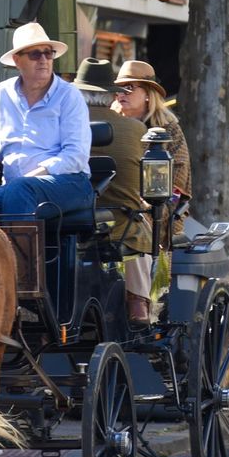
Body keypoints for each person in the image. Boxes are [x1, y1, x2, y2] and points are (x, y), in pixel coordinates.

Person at [0, 22, 94, 219]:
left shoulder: (69, 95)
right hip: (15, 188)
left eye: (48, 53)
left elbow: (76, 155)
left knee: (20, 189)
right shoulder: (0, 94)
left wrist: (36, 174)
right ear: (17, 60)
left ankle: (22, 251)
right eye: (35, 54)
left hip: (68, 183)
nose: (44, 60)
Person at [73, 58, 154, 323]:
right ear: (111, 95)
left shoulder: (66, 126)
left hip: (71, 223)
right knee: (140, 224)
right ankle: (138, 300)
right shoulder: (136, 129)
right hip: (120, 224)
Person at [111, 59, 191, 231]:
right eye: (118, 88)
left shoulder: (169, 130)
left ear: (148, 93)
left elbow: (177, 183)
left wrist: (147, 212)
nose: (121, 93)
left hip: (157, 220)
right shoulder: (109, 126)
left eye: (130, 87)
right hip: (112, 211)